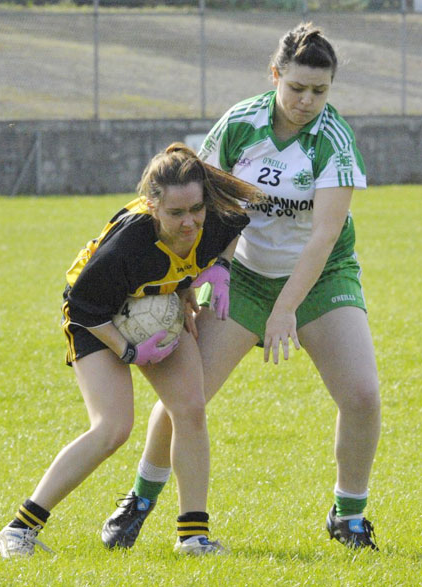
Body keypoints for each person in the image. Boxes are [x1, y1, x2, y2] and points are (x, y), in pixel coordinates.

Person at [101, 23, 381, 552]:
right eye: (296, 87)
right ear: (275, 76)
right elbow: (204, 207)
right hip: (244, 277)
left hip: (321, 278)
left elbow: (323, 236)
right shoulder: (240, 123)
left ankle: (348, 514)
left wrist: (286, 311)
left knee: (363, 395)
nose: (306, 101)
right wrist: (204, 274)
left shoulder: (334, 142)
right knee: (187, 397)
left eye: (320, 91)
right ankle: (140, 498)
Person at [0, 142, 263, 558]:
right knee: (112, 428)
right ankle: (18, 530)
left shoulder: (215, 217)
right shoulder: (129, 245)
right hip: (96, 316)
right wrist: (131, 352)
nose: (190, 221)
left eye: (196, 208)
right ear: (153, 206)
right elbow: (84, 305)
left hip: (156, 304)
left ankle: (193, 537)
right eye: (176, 213)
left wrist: (215, 272)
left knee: (190, 408)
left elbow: (236, 225)